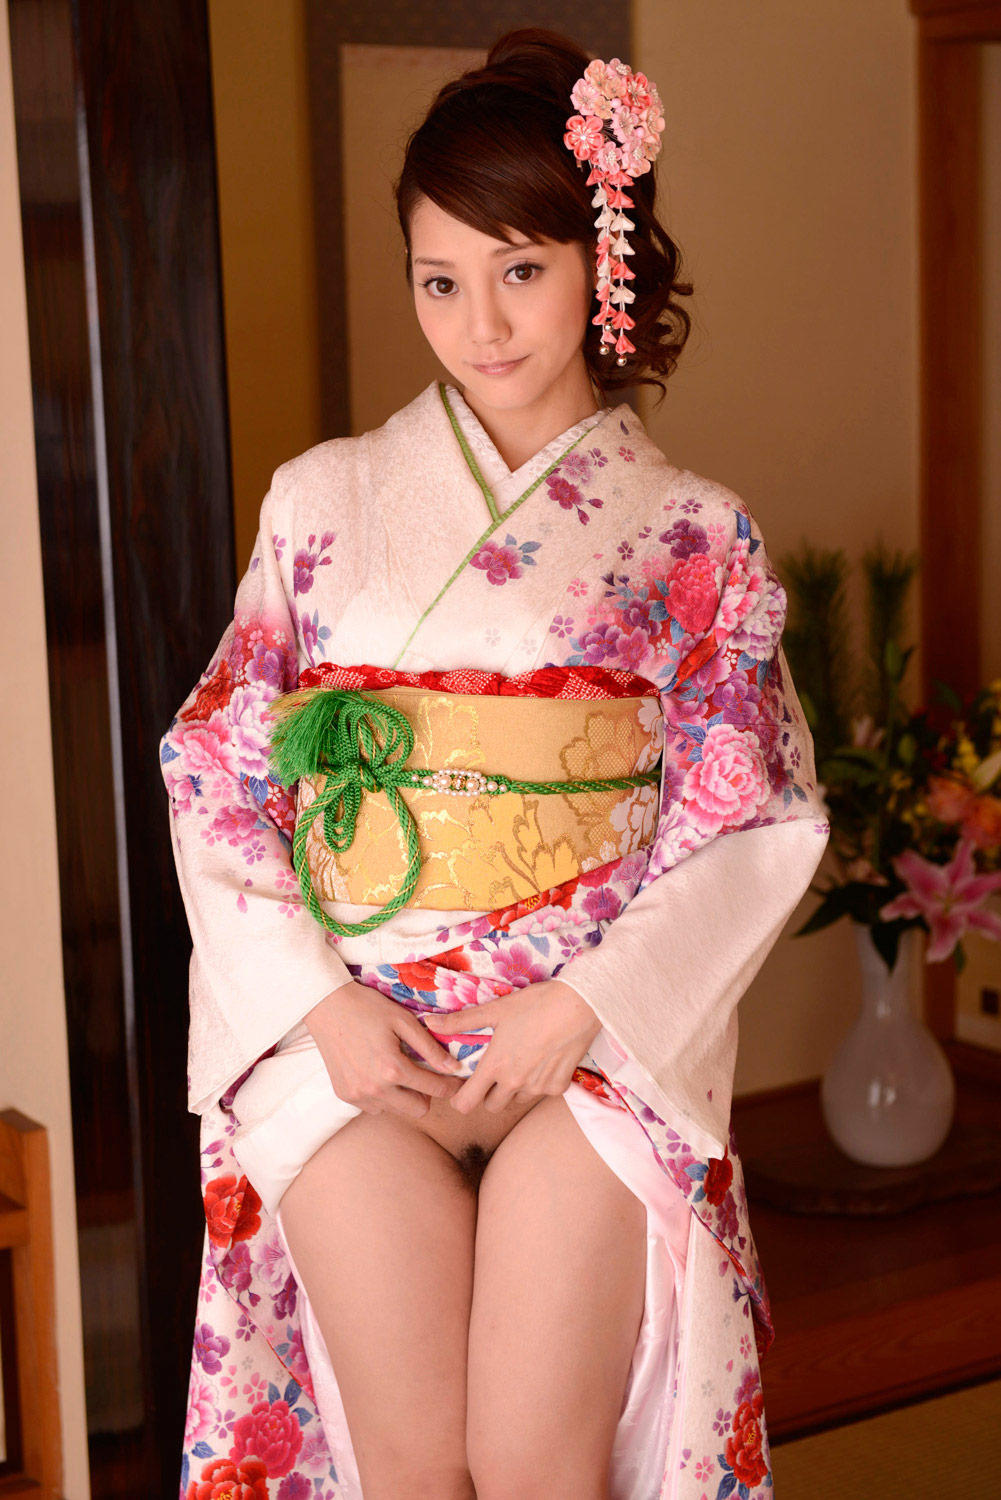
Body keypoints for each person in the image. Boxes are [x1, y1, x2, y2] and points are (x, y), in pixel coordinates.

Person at [161, 27, 829, 1500]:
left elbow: (752, 818)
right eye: (439, 280)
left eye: (520, 269)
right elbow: (216, 771)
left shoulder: (691, 534)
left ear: (603, 260)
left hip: (582, 1043)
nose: (481, 324)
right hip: (361, 1038)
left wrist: (582, 1009)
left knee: (531, 1458)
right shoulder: (322, 500)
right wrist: (320, 1008)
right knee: (409, 1463)